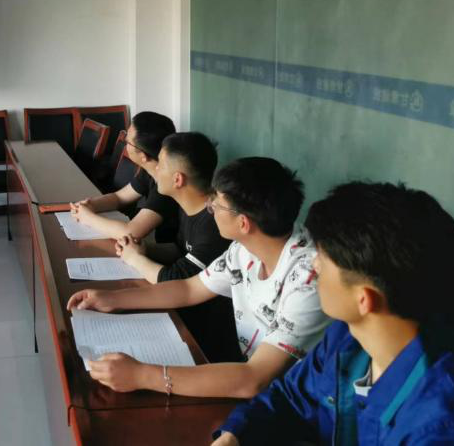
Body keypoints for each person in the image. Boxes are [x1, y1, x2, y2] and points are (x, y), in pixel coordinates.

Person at [212, 182, 454, 446]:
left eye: (323, 260)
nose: (314, 265)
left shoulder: (442, 425)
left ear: (364, 300)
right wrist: (234, 436)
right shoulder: (346, 337)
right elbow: (290, 398)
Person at [67, 157, 330, 399]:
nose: (209, 207)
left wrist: (141, 376)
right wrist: (112, 299)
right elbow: (188, 289)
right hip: (251, 378)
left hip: (294, 401)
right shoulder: (245, 247)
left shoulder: (308, 281)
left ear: (243, 223)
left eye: (217, 204)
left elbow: (254, 379)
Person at [116, 132, 238, 362]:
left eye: (161, 165)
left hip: (208, 335)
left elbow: (175, 280)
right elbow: (182, 251)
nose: (155, 168)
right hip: (189, 310)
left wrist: (135, 259)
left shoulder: (214, 223)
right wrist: (144, 249)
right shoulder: (188, 206)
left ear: (178, 180)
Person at [70, 111, 179, 244]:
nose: (125, 145)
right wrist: (90, 205)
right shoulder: (150, 169)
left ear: (143, 156)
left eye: (128, 142)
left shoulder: (167, 185)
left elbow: (131, 232)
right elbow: (119, 198)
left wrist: (87, 217)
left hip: (169, 252)